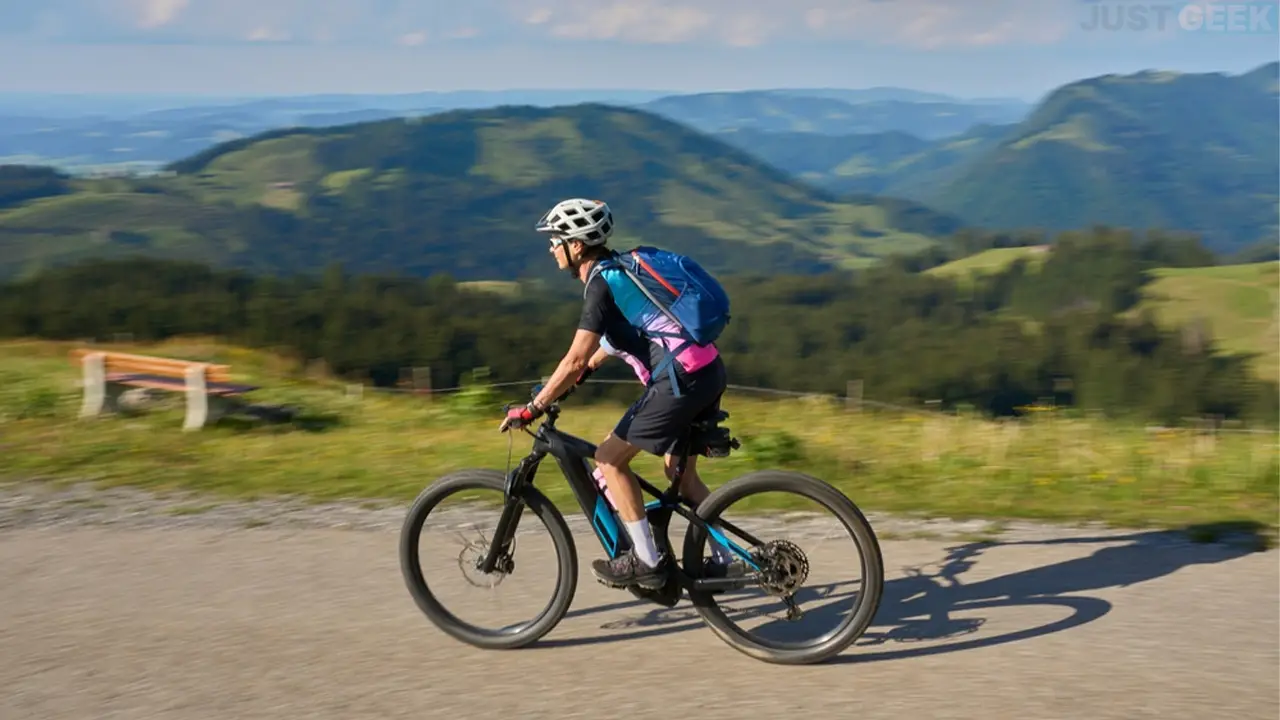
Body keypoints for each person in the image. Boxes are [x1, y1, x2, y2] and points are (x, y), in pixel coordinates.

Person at [499, 197, 736, 591]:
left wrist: (534, 408)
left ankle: (646, 560)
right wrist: (570, 379)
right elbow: (608, 346)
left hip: (678, 381)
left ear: (576, 245)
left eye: (555, 239)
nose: (550, 248)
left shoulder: (599, 287)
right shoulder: (621, 272)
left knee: (609, 460)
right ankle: (727, 560)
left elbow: (575, 359)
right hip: (706, 370)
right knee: (682, 477)